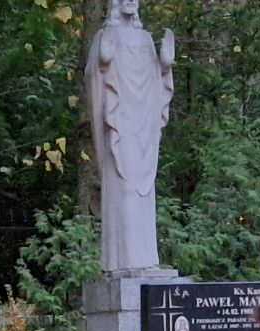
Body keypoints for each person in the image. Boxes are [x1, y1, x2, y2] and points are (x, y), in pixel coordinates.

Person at [85, 0, 174, 273]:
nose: (129, 2)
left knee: (143, 192)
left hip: (142, 126)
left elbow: (155, 81)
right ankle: (122, 261)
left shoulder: (146, 38)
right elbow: (93, 77)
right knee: (122, 190)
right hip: (118, 123)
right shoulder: (105, 36)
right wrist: (101, 63)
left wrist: (164, 65)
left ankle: (146, 260)